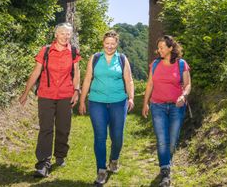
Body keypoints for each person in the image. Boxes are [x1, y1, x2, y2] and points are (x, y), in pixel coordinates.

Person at [19, 23, 81, 178]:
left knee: (63, 128)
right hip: (46, 94)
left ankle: (60, 155)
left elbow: (77, 73)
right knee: (46, 128)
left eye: (68, 34)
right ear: (56, 34)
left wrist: (76, 91)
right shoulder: (46, 50)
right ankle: (43, 163)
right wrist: (26, 92)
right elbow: (36, 72)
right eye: (62, 33)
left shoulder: (73, 52)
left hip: (66, 95)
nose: (65, 36)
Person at [79, 30, 135, 185]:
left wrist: (131, 98)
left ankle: (114, 160)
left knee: (117, 137)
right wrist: (82, 100)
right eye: (107, 43)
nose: (109, 46)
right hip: (97, 102)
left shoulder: (122, 59)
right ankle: (101, 170)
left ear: (117, 44)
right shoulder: (95, 58)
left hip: (118, 102)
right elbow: (87, 80)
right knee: (100, 136)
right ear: (103, 43)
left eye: (112, 43)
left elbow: (129, 80)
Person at [142, 35, 191, 185]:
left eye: (162, 47)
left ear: (171, 48)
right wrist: (145, 104)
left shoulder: (181, 64)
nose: (159, 50)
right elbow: (150, 84)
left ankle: (167, 162)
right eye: (158, 47)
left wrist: (183, 96)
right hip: (157, 106)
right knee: (162, 140)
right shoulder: (155, 64)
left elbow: (188, 85)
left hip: (177, 107)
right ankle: (165, 170)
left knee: (173, 139)